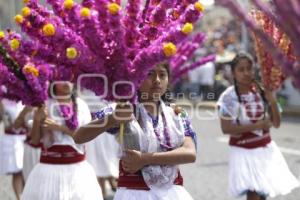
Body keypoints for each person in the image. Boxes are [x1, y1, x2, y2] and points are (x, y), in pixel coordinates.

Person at [74, 62, 197, 200]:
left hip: (173, 193)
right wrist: (111, 120)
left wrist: (144, 159)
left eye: (162, 75)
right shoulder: (122, 109)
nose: (157, 80)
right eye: (149, 74)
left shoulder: (177, 114)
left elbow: (190, 153)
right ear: (137, 78)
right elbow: (79, 137)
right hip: (134, 193)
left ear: (168, 81)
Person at [217, 52, 299, 200]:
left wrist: (272, 101)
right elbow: (226, 128)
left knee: (263, 194)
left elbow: (277, 123)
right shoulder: (228, 97)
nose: (246, 73)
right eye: (241, 70)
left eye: (249, 68)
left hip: (265, 149)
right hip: (243, 151)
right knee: (253, 192)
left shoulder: (262, 91)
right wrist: (257, 125)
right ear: (233, 73)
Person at [21, 82, 102, 200]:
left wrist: (59, 128)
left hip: (77, 170)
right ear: (54, 83)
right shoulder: (45, 105)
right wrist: (37, 120)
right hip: (48, 170)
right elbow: (34, 141)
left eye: (69, 79)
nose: (66, 83)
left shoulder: (81, 106)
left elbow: (85, 136)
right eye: (62, 79)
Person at [0, 99, 27, 200]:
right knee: (17, 171)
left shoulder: (29, 93)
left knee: (28, 170)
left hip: (27, 138)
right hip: (11, 138)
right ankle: (19, 198)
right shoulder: (3, 96)